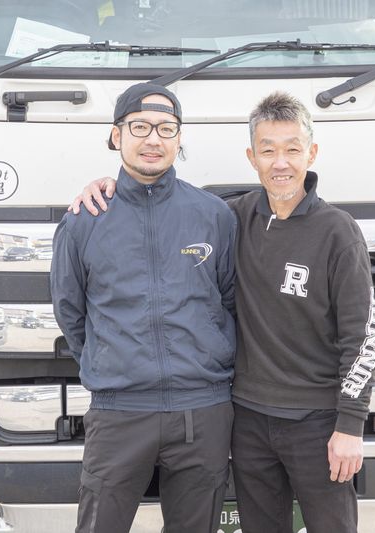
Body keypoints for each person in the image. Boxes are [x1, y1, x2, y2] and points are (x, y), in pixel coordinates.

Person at [70, 91, 375, 533]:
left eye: (292, 150)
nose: (281, 163)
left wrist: (350, 424)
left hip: (317, 422)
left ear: (311, 154)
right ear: (252, 158)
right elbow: (159, 206)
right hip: (248, 420)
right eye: (268, 151)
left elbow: (363, 338)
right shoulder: (234, 218)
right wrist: (110, 188)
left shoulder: (336, 232)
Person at [51, 82, 237, 533]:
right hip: (119, 412)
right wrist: (111, 362)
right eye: (140, 127)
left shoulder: (213, 215)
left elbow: (231, 300)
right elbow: (70, 311)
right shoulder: (84, 220)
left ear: (179, 138)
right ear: (117, 135)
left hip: (202, 410)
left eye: (166, 129)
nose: (153, 139)